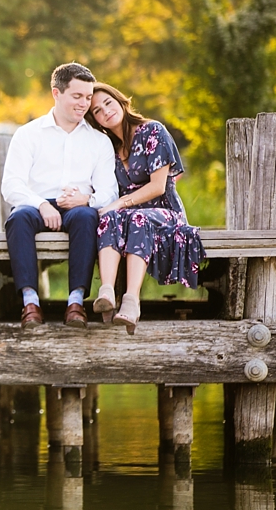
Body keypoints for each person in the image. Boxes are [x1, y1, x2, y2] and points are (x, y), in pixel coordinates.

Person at [1, 63, 119, 328]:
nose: (84, 104)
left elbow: (109, 191)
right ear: (56, 93)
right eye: (77, 96)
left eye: (88, 97)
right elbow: (11, 185)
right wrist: (42, 204)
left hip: (78, 207)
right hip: (36, 206)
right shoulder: (28, 134)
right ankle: (30, 303)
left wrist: (85, 199)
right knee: (18, 218)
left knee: (87, 217)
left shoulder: (99, 141)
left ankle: (75, 303)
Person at [85, 83, 206, 334]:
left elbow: (158, 187)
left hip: (165, 213)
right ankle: (106, 292)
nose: (105, 111)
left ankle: (131, 300)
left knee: (134, 217)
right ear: (95, 120)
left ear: (120, 101)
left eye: (108, 103)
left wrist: (120, 203)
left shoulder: (153, 131)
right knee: (108, 218)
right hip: (128, 218)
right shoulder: (109, 149)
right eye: (97, 111)